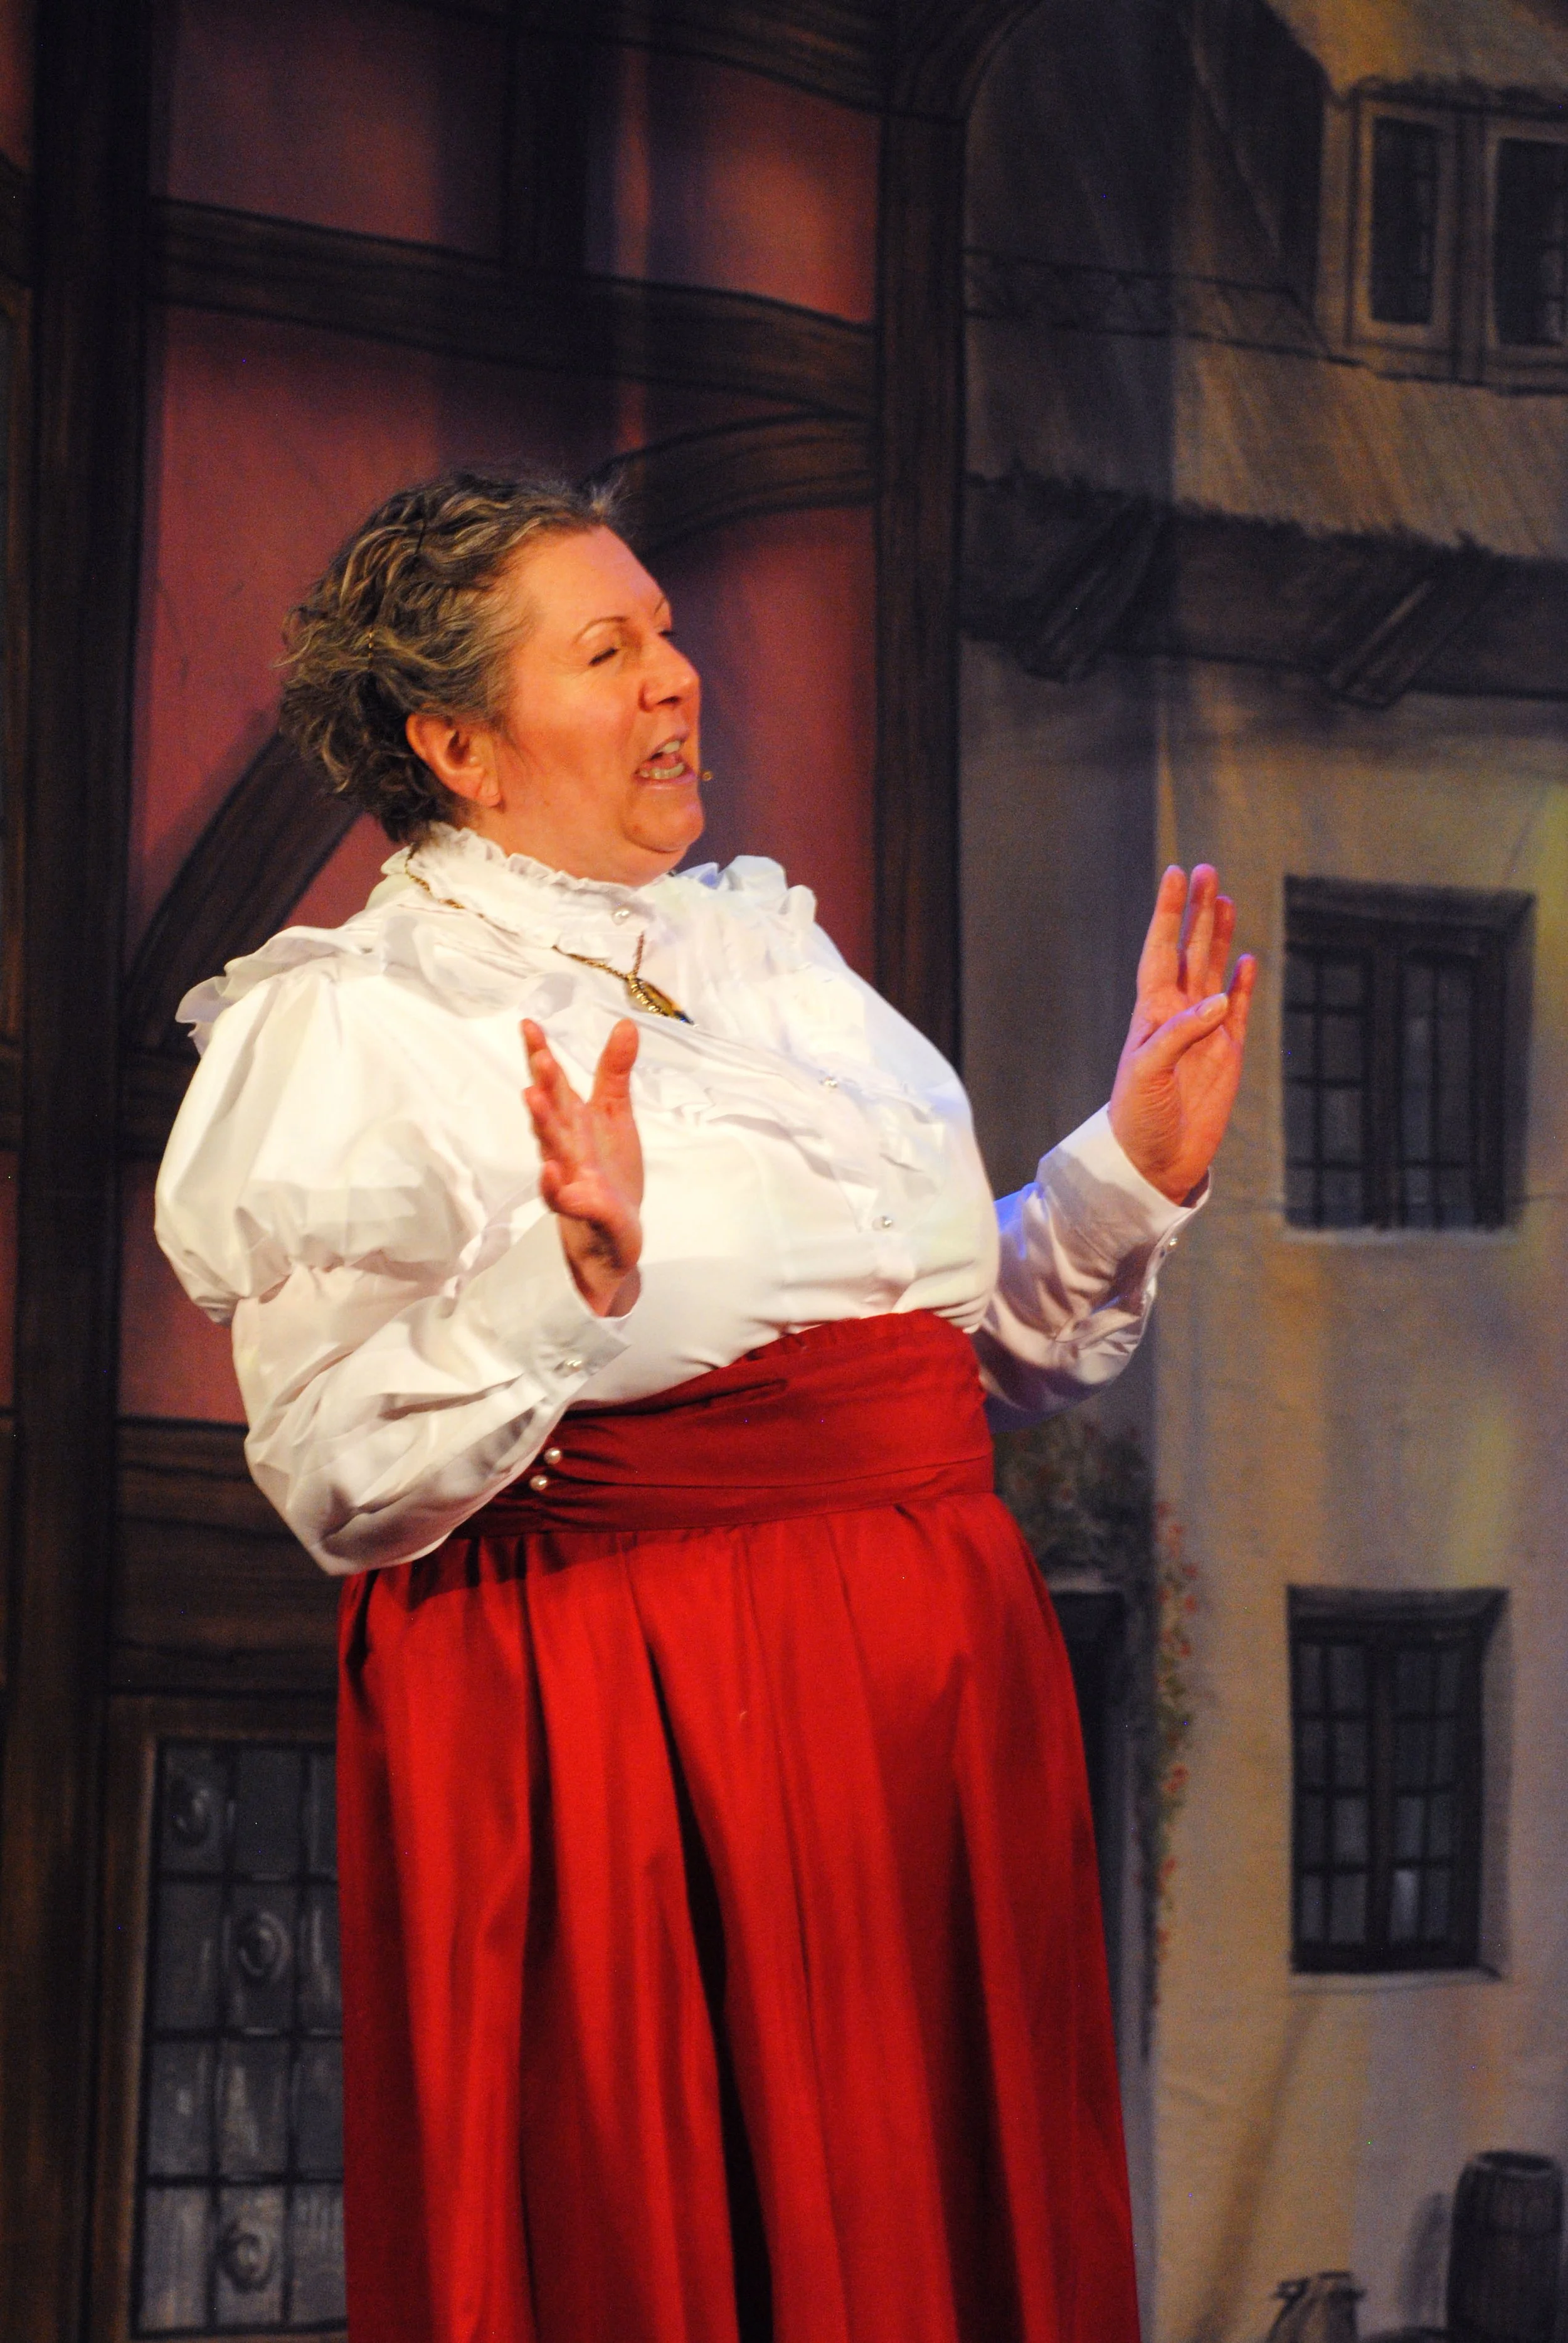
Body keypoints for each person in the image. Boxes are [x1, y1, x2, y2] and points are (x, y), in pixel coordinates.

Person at [156, 470, 1255, 2343]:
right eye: (609, 650)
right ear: (460, 743)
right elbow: (333, 1479)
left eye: (664, 630)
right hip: (641, 1712)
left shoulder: (763, 948)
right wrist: (553, 1286)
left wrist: (1119, 1170)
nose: (680, 677)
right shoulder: (365, 1020)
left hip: (925, 1700)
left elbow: (930, 1340)